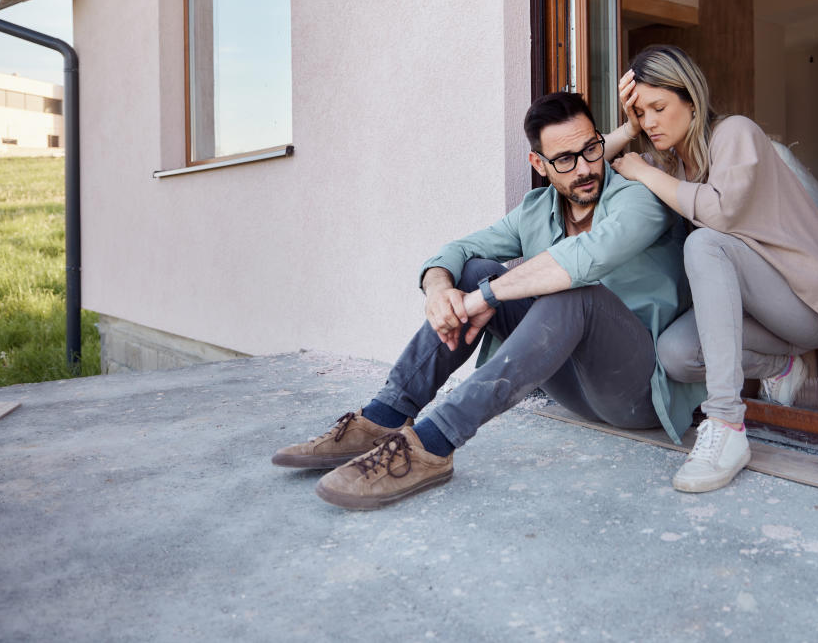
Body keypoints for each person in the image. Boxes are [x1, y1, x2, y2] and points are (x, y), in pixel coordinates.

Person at [273, 92, 690, 510]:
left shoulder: (639, 198)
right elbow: (458, 250)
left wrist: (484, 298)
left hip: (635, 391)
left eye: (590, 149)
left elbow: (582, 260)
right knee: (472, 270)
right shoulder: (535, 209)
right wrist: (439, 290)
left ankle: (433, 445)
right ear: (539, 165)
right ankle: (384, 416)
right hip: (572, 387)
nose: (583, 168)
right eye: (565, 159)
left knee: (571, 292)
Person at [606, 44, 818, 494]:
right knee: (676, 353)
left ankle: (726, 425)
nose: (651, 122)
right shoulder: (675, 161)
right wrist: (625, 128)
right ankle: (782, 365)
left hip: (806, 302)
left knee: (705, 243)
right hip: (765, 318)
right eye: (643, 113)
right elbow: (580, 166)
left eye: (658, 107)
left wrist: (645, 173)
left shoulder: (734, 132)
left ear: (691, 99)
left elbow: (720, 212)